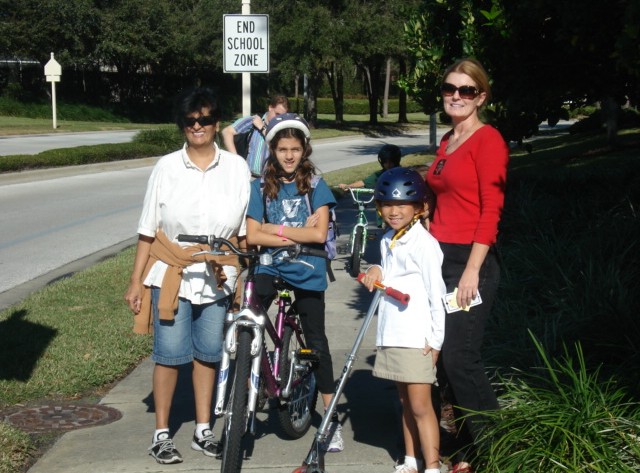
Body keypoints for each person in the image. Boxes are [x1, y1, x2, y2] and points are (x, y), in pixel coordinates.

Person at [124, 87, 251, 465]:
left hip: (219, 273)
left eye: (206, 120)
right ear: (182, 124)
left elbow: (244, 228)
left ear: (217, 124)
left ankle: (202, 429)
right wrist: (135, 282)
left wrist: (243, 275)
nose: (198, 126)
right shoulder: (166, 167)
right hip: (171, 272)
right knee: (168, 355)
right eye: (191, 120)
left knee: (208, 355)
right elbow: (148, 228)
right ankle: (161, 433)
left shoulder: (236, 167)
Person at [425, 58, 509, 472]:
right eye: (449, 89)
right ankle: (464, 453)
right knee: (442, 360)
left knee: (461, 358)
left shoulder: (487, 139)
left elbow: (491, 209)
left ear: (482, 96)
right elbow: (441, 198)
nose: (456, 96)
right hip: (438, 258)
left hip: (468, 261)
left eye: (466, 91)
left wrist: (473, 269)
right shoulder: (447, 141)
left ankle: (496, 449)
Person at [244, 113, 344, 453]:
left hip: (308, 269)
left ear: (305, 151)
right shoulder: (260, 185)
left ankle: (329, 418)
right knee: (249, 317)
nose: (289, 156)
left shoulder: (316, 184)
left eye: (296, 149)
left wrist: (276, 230)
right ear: (271, 149)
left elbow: (318, 234)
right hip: (271, 267)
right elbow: (252, 233)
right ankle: (250, 378)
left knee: (317, 344)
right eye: (283, 149)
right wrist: (292, 235)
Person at [361, 167, 446, 473]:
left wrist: (436, 340)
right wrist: (376, 270)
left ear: (420, 207)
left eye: (401, 205)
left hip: (416, 337)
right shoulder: (388, 239)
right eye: (386, 204)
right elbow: (389, 272)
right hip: (392, 334)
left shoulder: (425, 245)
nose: (393, 211)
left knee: (422, 406)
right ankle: (411, 459)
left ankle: (433, 466)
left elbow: (437, 295)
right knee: (405, 404)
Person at [221, 94, 289, 177]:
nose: (279, 118)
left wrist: (262, 128)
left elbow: (279, 145)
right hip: (248, 176)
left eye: (282, 116)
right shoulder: (253, 121)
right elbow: (226, 132)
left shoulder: (283, 128)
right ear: (270, 108)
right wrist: (236, 160)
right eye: (277, 114)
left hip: (270, 178)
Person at [338, 143, 402, 190]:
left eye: (391, 162)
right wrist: (348, 186)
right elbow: (364, 182)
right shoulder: (379, 174)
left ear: (396, 161)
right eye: (385, 162)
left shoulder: (403, 174)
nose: (388, 164)